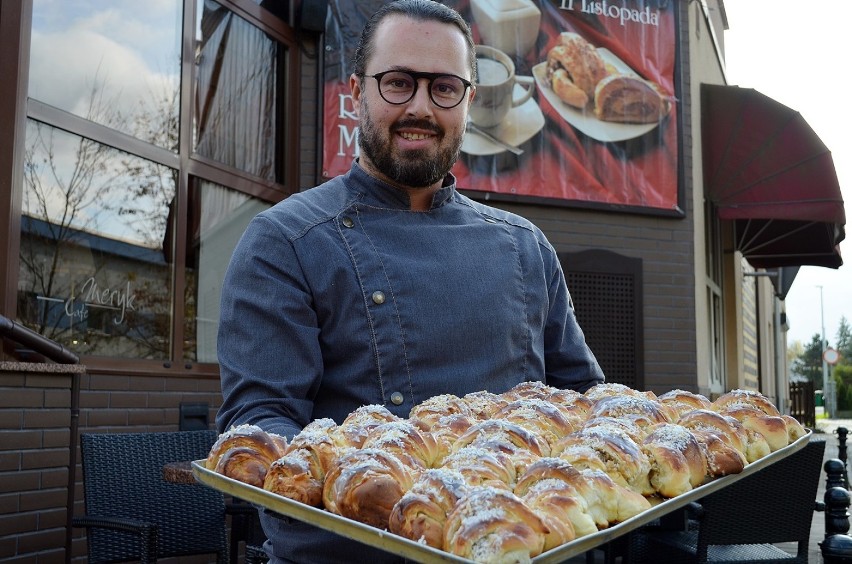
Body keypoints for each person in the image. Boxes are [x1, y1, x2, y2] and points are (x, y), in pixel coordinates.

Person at [216, 0, 605, 561]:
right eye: (398, 82)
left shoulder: (526, 247)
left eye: (444, 87)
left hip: (520, 545)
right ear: (357, 91)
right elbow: (262, 426)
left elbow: (581, 405)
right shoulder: (288, 241)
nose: (421, 107)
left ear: (469, 101)